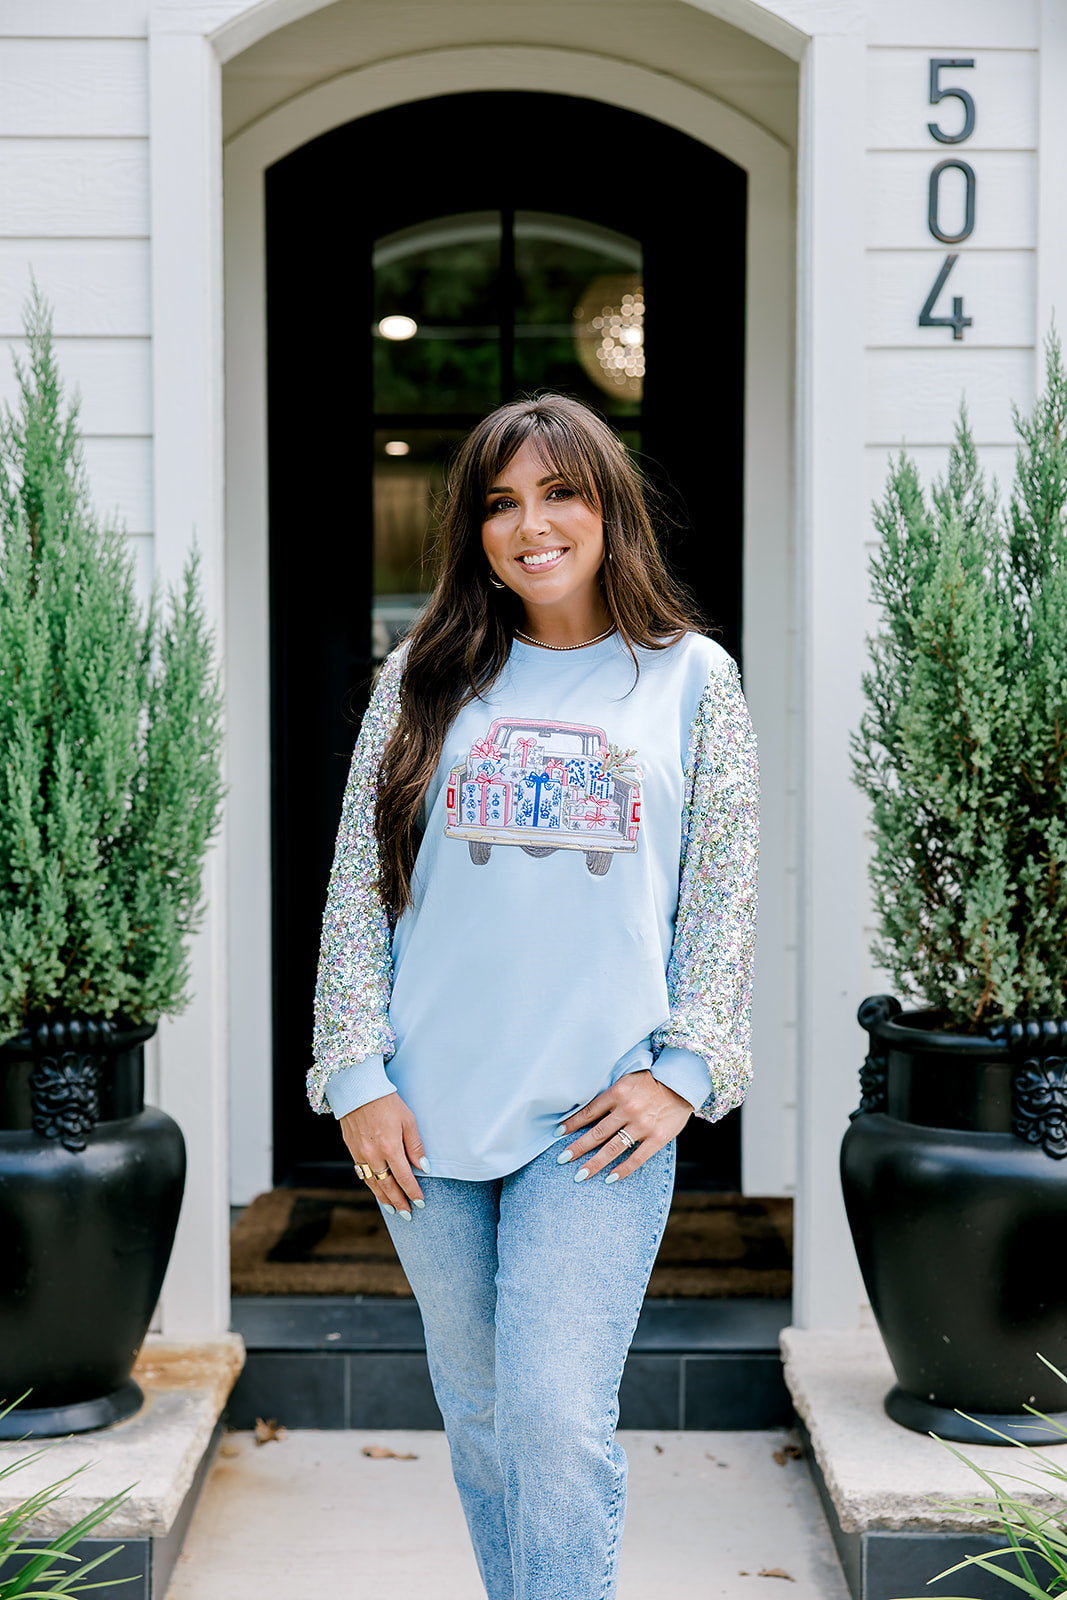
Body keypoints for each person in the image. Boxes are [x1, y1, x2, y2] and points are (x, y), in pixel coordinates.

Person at [310, 393, 759, 1600]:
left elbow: (721, 897)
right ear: (475, 530)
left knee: (557, 1420)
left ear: (608, 509)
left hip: (596, 1127)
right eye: (502, 503)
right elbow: (360, 887)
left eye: (560, 492)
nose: (533, 524)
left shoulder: (692, 681)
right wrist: (357, 1077)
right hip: (426, 1121)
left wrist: (681, 1072)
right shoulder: (422, 676)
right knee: (486, 1422)